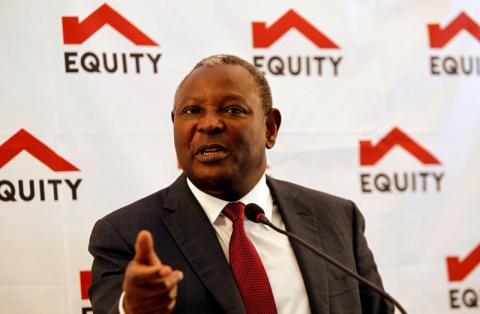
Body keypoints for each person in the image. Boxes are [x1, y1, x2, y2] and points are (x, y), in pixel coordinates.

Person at [88, 54, 393, 314]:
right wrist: (132, 308)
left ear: (270, 128)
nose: (208, 124)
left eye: (232, 109)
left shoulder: (336, 218)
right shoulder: (124, 234)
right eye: (192, 111)